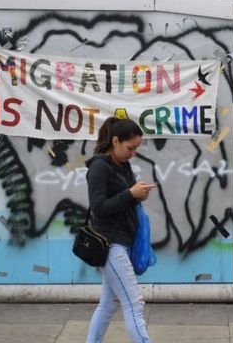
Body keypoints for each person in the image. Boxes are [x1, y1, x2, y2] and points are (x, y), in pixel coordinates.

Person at [85, 117, 156, 343]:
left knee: (108, 304)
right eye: (130, 147)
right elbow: (99, 208)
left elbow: (124, 201)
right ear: (115, 141)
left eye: (136, 148)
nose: (133, 153)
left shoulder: (122, 166)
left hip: (124, 241)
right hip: (110, 243)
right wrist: (130, 194)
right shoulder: (98, 168)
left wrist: (138, 194)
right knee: (134, 303)